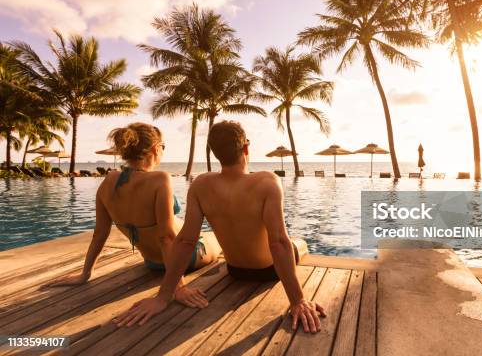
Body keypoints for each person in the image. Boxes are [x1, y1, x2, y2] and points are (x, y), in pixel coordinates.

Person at [114, 120, 326, 333]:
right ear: (246, 148)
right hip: (268, 272)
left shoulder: (201, 184)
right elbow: (279, 243)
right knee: (299, 242)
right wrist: (298, 300)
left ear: (215, 153)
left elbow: (185, 241)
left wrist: (163, 297)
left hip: (235, 271)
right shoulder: (267, 181)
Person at [43, 122, 218, 309]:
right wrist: (179, 287)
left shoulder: (108, 181)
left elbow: (100, 234)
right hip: (182, 260)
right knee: (216, 237)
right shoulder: (160, 179)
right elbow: (166, 237)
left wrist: (85, 274)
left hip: (152, 262)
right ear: (155, 148)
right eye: (163, 147)